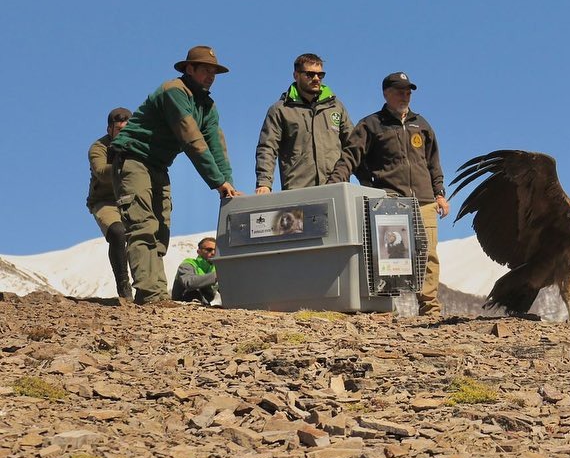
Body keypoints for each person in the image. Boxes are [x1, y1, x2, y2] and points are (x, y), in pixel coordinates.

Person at [110, 46, 242, 305]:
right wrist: (217, 182)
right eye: (205, 69)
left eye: (214, 71)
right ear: (189, 69)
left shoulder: (207, 106)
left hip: (159, 166)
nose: (210, 76)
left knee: (160, 229)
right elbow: (192, 139)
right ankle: (152, 295)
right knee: (142, 225)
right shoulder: (174, 91)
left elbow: (216, 145)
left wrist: (229, 186)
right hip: (134, 158)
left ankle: (155, 293)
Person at [328, 72, 448, 316]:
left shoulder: (421, 124)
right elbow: (351, 156)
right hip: (390, 200)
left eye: (408, 91)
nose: (405, 96)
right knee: (389, 257)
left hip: (424, 200)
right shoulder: (372, 124)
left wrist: (440, 193)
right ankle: (386, 308)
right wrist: (336, 182)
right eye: (399, 91)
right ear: (386, 93)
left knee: (428, 255)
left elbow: (433, 162)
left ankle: (429, 308)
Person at [255, 53, 354, 193]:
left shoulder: (336, 107)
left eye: (320, 75)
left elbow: (353, 146)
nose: (316, 79)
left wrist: (366, 179)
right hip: (298, 191)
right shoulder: (280, 110)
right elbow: (267, 147)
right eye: (310, 74)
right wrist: (264, 182)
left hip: (335, 188)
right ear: (296, 75)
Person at [86, 107, 135, 299]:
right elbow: (101, 172)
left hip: (132, 199)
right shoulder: (99, 147)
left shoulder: (139, 144)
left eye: (128, 129)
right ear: (110, 130)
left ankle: (146, 287)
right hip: (105, 200)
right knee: (117, 232)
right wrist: (120, 161)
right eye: (119, 130)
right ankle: (123, 285)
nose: (124, 133)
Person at [171, 237, 219, 304]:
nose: (213, 253)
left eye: (215, 250)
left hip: (203, 304)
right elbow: (189, 283)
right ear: (199, 252)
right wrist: (218, 275)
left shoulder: (216, 268)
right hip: (182, 303)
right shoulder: (188, 264)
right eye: (209, 250)